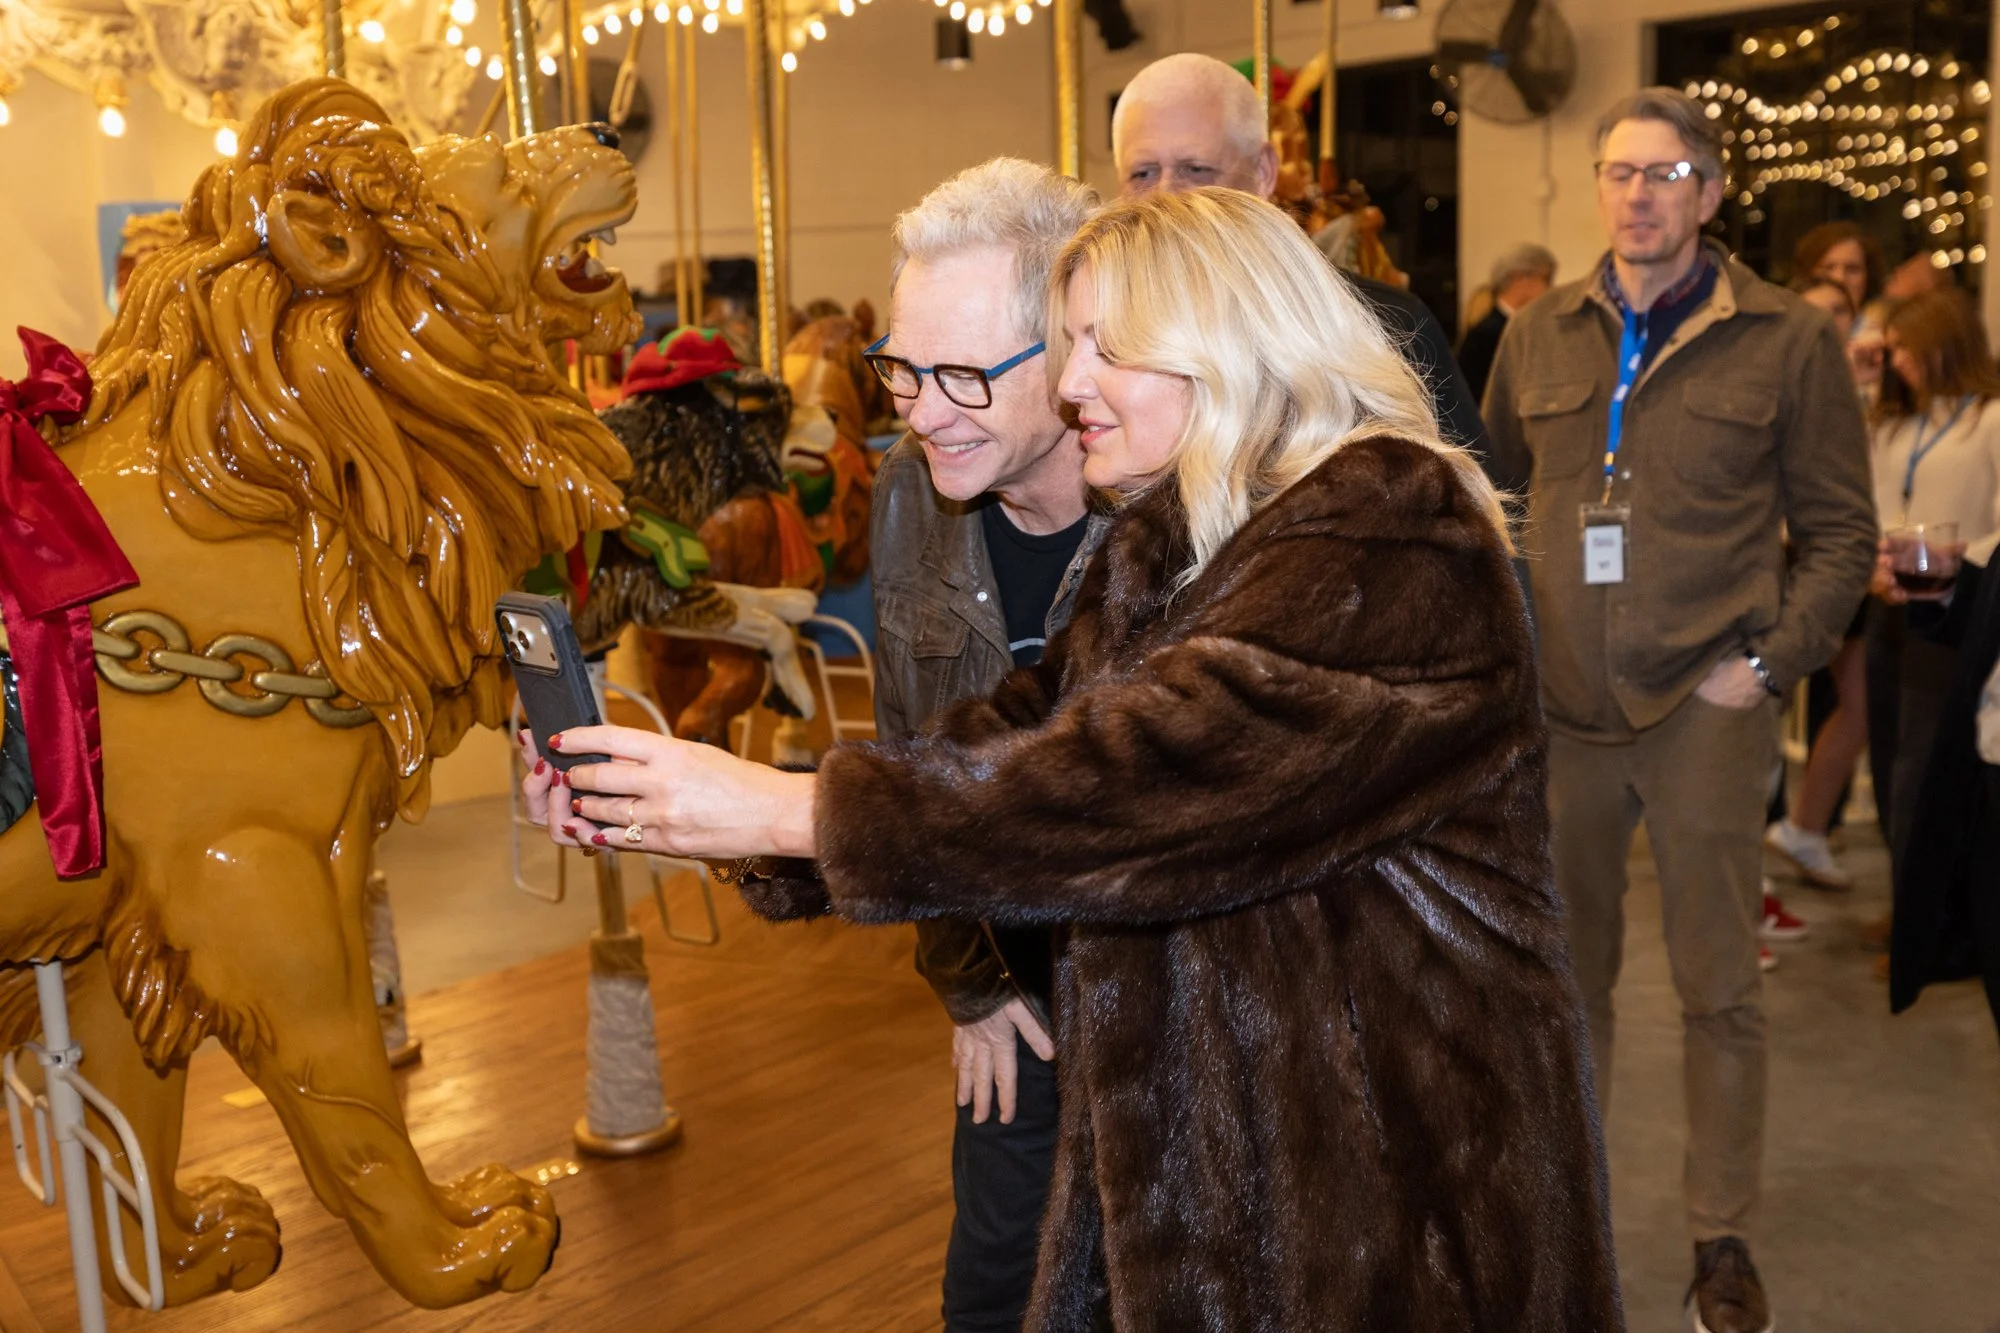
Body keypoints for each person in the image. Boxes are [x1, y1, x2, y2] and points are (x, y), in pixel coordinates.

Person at [529, 187, 1624, 1329]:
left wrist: (786, 813)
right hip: (1210, 1163)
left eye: (1106, 347)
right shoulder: (1169, 546)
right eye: (1069, 345)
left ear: (1227, 343)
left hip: (1393, 1195)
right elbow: (1011, 743)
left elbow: (1141, 779)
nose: (1071, 383)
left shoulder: (1391, 529)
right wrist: (666, 801)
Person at [1483, 87, 1877, 1333]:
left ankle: (1720, 1230)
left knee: (1719, 989)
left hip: (1705, 704)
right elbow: (1489, 502)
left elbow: (1837, 531)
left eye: (1664, 173)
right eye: (1617, 171)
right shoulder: (1535, 332)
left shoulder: (1785, 340)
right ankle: (1566, 1215)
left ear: (1708, 193)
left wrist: (1766, 669)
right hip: (1561, 716)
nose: (1636, 194)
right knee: (1564, 982)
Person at [861, 158, 1104, 1333]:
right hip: (1011, 981)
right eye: (902, 367)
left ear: (1069, 360)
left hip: (1175, 991)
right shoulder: (910, 493)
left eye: (962, 372)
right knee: (993, 1291)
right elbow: (908, 756)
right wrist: (964, 981)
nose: (920, 410)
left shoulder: (1182, 512)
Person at [1107, 52, 1497, 483]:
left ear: (1263, 172)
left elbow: (1476, 513)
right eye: (1142, 173)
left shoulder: (1380, 326)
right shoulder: (1098, 336)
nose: (1166, 196)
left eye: (1195, 169)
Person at [1861, 290, 2000, 880]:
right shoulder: (1892, 425)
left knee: (1926, 770)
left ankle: (1939, 924)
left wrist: (1955, 561)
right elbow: (1868, 510)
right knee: (1892, 761)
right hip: (1887, 609)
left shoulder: (1989, 419)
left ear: (1942, 343)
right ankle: (1910, 907)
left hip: (1954, 614)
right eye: (1890, 351)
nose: (1896, 362)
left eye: (1905, 349)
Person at [1764, 276, 1869, 900]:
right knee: (1765, 740)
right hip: (1784, 571)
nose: (1832, 323)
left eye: (1844, 312)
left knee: (1851, 708)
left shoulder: (1867, 385)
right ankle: (1761, 886)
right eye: (1821, 309)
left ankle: (1806, 828)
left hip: (1846, 569)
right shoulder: (1785, 368)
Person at [1458, 242, 1558, 402]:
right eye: (1545, 279)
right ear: (1520, 278)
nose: (1549, 288)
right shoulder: (1484, 335)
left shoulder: (1535, 327)